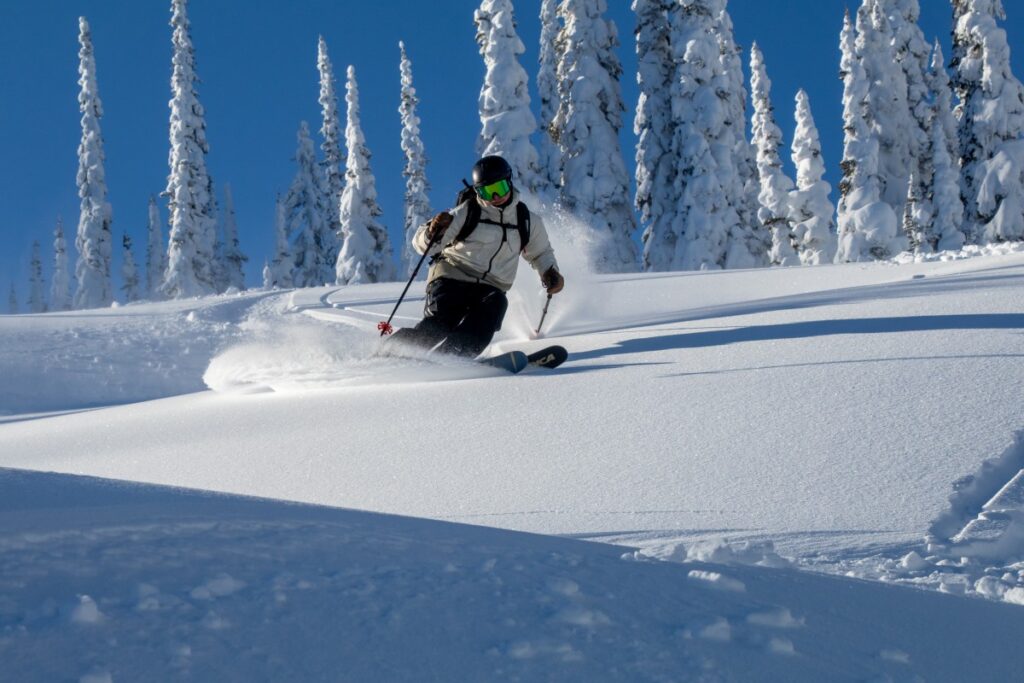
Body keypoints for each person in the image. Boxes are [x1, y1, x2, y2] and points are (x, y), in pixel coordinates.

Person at [388, 155, 564, 358]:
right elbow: (422, 245)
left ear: (509, 182)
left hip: (492, 287)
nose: (496, 196)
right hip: (453, 276)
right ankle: (390, 354)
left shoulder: (526, 220)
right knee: (440, 324)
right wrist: (432, 231)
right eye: (487, 191)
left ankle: (451, 358)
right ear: (478, 191)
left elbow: (541, 252)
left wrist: (549, 271)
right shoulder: (468, 212)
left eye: (500, 187)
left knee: (489, 316)